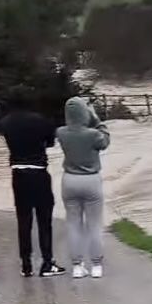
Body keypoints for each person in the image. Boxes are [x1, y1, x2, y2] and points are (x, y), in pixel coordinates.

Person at [1, 89, 66, 278]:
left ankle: (26, 264)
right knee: (44, 220)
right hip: (38, 172)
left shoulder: (5, 123)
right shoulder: (41, 121)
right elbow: (50, 143)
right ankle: (47, 263)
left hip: (18, 173)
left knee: (24, 220)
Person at [56, 97, 110, 279]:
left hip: (69, 179)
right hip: (91, 179)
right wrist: (96, 119)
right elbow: (105, 141)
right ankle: (96, 265)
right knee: (94, 224)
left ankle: (77, 266)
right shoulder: (93, 135)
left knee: (73, 224)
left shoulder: (61, 133)